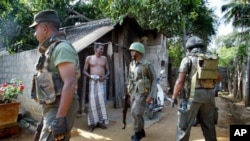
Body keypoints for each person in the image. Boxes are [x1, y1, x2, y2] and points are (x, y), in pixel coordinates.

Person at [30, 9, 80, 141]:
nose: (35, 34)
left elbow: (70, 82)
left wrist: (59, 118)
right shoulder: (50, 50)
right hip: (52, 105)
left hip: (60, 106)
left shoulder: (62, 48)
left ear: (44, 28)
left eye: (36, 29)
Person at [171, 36, 221, 141]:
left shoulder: (188, 59)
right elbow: (218, 78)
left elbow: (180, 81)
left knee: (183, 127)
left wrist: (174, 96)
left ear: (189, 48)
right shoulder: (210, 59)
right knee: (209, 127)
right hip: (209, 97)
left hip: (193, 96)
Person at [127, 42, 157, 141]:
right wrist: (128, 88)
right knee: (138, 113)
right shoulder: (132, 64)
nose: (131, 52)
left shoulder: (146, 64)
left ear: (138, 52)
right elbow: (130, 78)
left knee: (134, 112)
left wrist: (151, 95)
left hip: (143, 92)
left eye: (133, 50)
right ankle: (141, 130)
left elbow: (154, 79)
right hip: (133, 91)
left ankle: (137, 133)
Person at [83, 42, 110, 132]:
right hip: (93, 82)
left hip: (102, 82)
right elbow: (84, 71)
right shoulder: (89, 58)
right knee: (92, 102)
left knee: (102, 102)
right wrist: (91, 77)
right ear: (95, 49)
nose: (102, 50)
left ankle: (100, 122)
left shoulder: (104, 58)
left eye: (103, 49)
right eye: (101, 49)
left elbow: (108, 71)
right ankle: (92, 123)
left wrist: (105, 77)